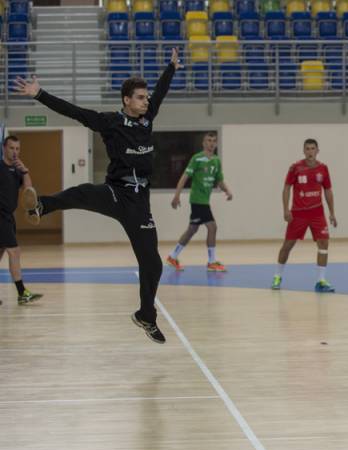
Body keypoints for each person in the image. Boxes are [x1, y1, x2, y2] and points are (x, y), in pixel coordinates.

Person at [14, 49, 181, 344]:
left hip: (140, 203)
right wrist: (39, 94)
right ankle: (40, 206)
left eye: (146, 97)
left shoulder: (148, 117)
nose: (146, 101)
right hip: (117, 192)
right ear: (127, 100)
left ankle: (146, 315)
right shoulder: (110, 122)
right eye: (140, 97)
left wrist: (171, 68)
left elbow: (162, 92)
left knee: (153, 264)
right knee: (83, 193)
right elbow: (75, 112)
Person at [272, 139, 337, 293]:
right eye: (307, 149)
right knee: (287, 245)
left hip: (317, 213)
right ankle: (277, 276)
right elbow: (286, 188)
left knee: (324, 244)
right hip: (298, 213)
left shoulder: (323, 168)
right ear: (303, 151)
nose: (310, 151)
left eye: (312, 148)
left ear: (317, 151)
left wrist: (332, 213)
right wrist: (285, 209)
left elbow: (328, 190)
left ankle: (321, 281)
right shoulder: (295, 168)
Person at [166, 131, 233, 272]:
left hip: (204, 201)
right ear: (203, 143)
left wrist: (227, 191)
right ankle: (211, 262)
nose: (211, 143)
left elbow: (219, 180)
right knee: (212, 227)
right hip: (198, 200)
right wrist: (176, 196)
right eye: (208, 140)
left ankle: (172, 256)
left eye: (214, 141)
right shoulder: (197, 158)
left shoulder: (216, 161)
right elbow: (184, 177)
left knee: (192, 229)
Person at [0, 136, 43, 306]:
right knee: (14, 251)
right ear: (4, 148)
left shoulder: (17, 170)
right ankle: (22, 292)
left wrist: (25, 171)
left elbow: (28, 190)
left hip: (9, 216)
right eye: (12, 148)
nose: (15, 152)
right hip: (0, 216)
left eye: (17, 149)